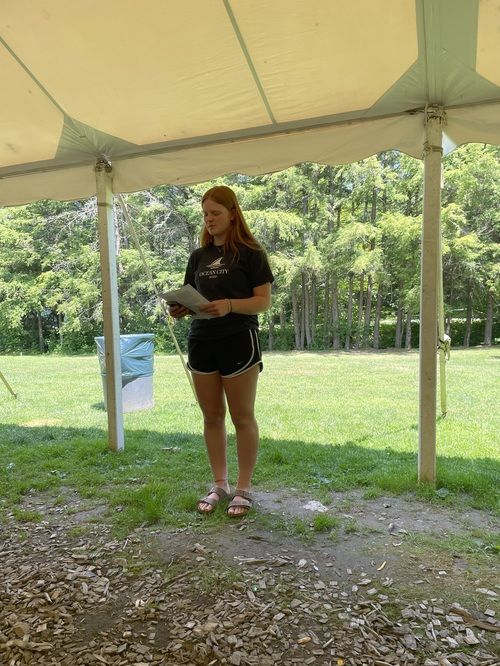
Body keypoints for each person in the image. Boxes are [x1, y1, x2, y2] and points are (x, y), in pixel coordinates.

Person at [168, 185, 274, 517]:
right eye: (205, 214)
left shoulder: (251, 252)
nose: (209, 219)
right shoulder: (197, 257)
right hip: (202, 340)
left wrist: (229, 305)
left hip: (239, 340)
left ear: (232, 214)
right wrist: (180, 309)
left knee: (242, 417)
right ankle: (220, 484)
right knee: (212, 416)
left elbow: (263, 301)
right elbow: (191, 295)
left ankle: (243, 488)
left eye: (215, 213)